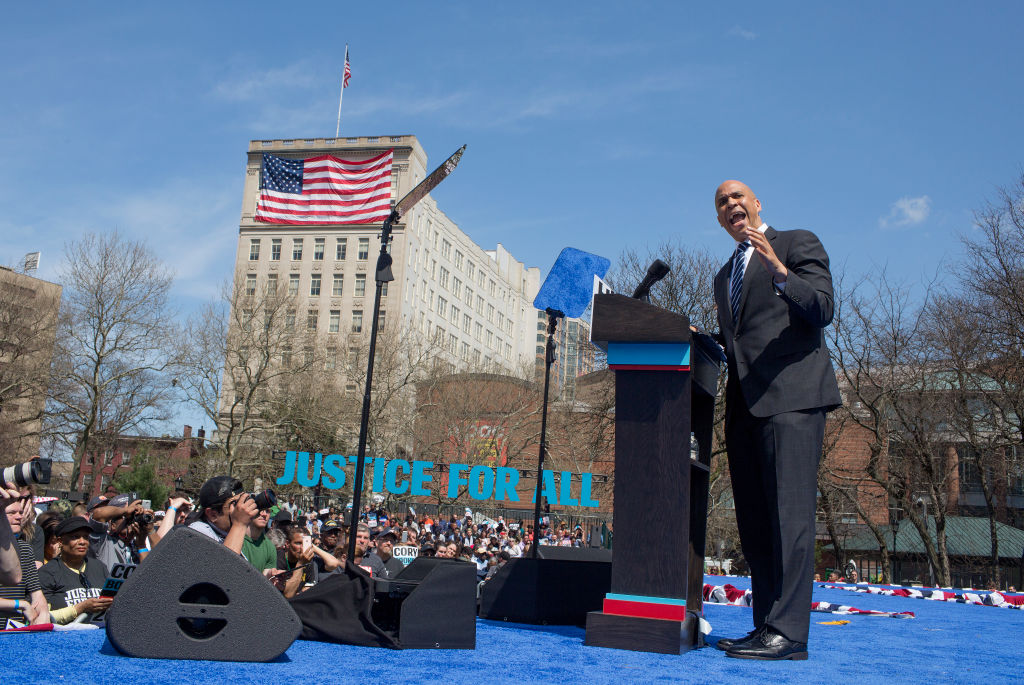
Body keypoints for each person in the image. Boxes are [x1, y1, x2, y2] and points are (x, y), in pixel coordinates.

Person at [710, 180, 842, 661]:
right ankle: (766, 626)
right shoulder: (723, 276)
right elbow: (738, 341)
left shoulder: (796, 242)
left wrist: (779, 269)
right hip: (744, 408)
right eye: (722, 202)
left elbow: (822, 309)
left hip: (793, 399)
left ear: (756, 203)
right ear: (719, 218)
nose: (731, 204)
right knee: (757, 523)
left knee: (790, 518)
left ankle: (791, 634)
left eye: (737, 196)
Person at [38, 517, 112, 624]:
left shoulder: (100, 567)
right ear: (60, 541)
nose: (82, 542)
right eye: (75, 537)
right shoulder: (47, 572)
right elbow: (41, 618)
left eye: (86, 537)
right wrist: (80, 608)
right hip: (64, 636)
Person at [0, 487, 48, 627]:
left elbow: (36, 592)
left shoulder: (25, 549)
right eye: (12, 513)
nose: (19, 517)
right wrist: (19, 604)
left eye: (20, 512)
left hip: (16, 631)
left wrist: (43, 612)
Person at [187, 476, 258, 555]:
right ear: (213, 515)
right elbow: (224, 565)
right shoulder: (197, 533)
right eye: (235, 504)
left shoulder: (226, 535)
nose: (241, 508)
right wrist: (239, 524)